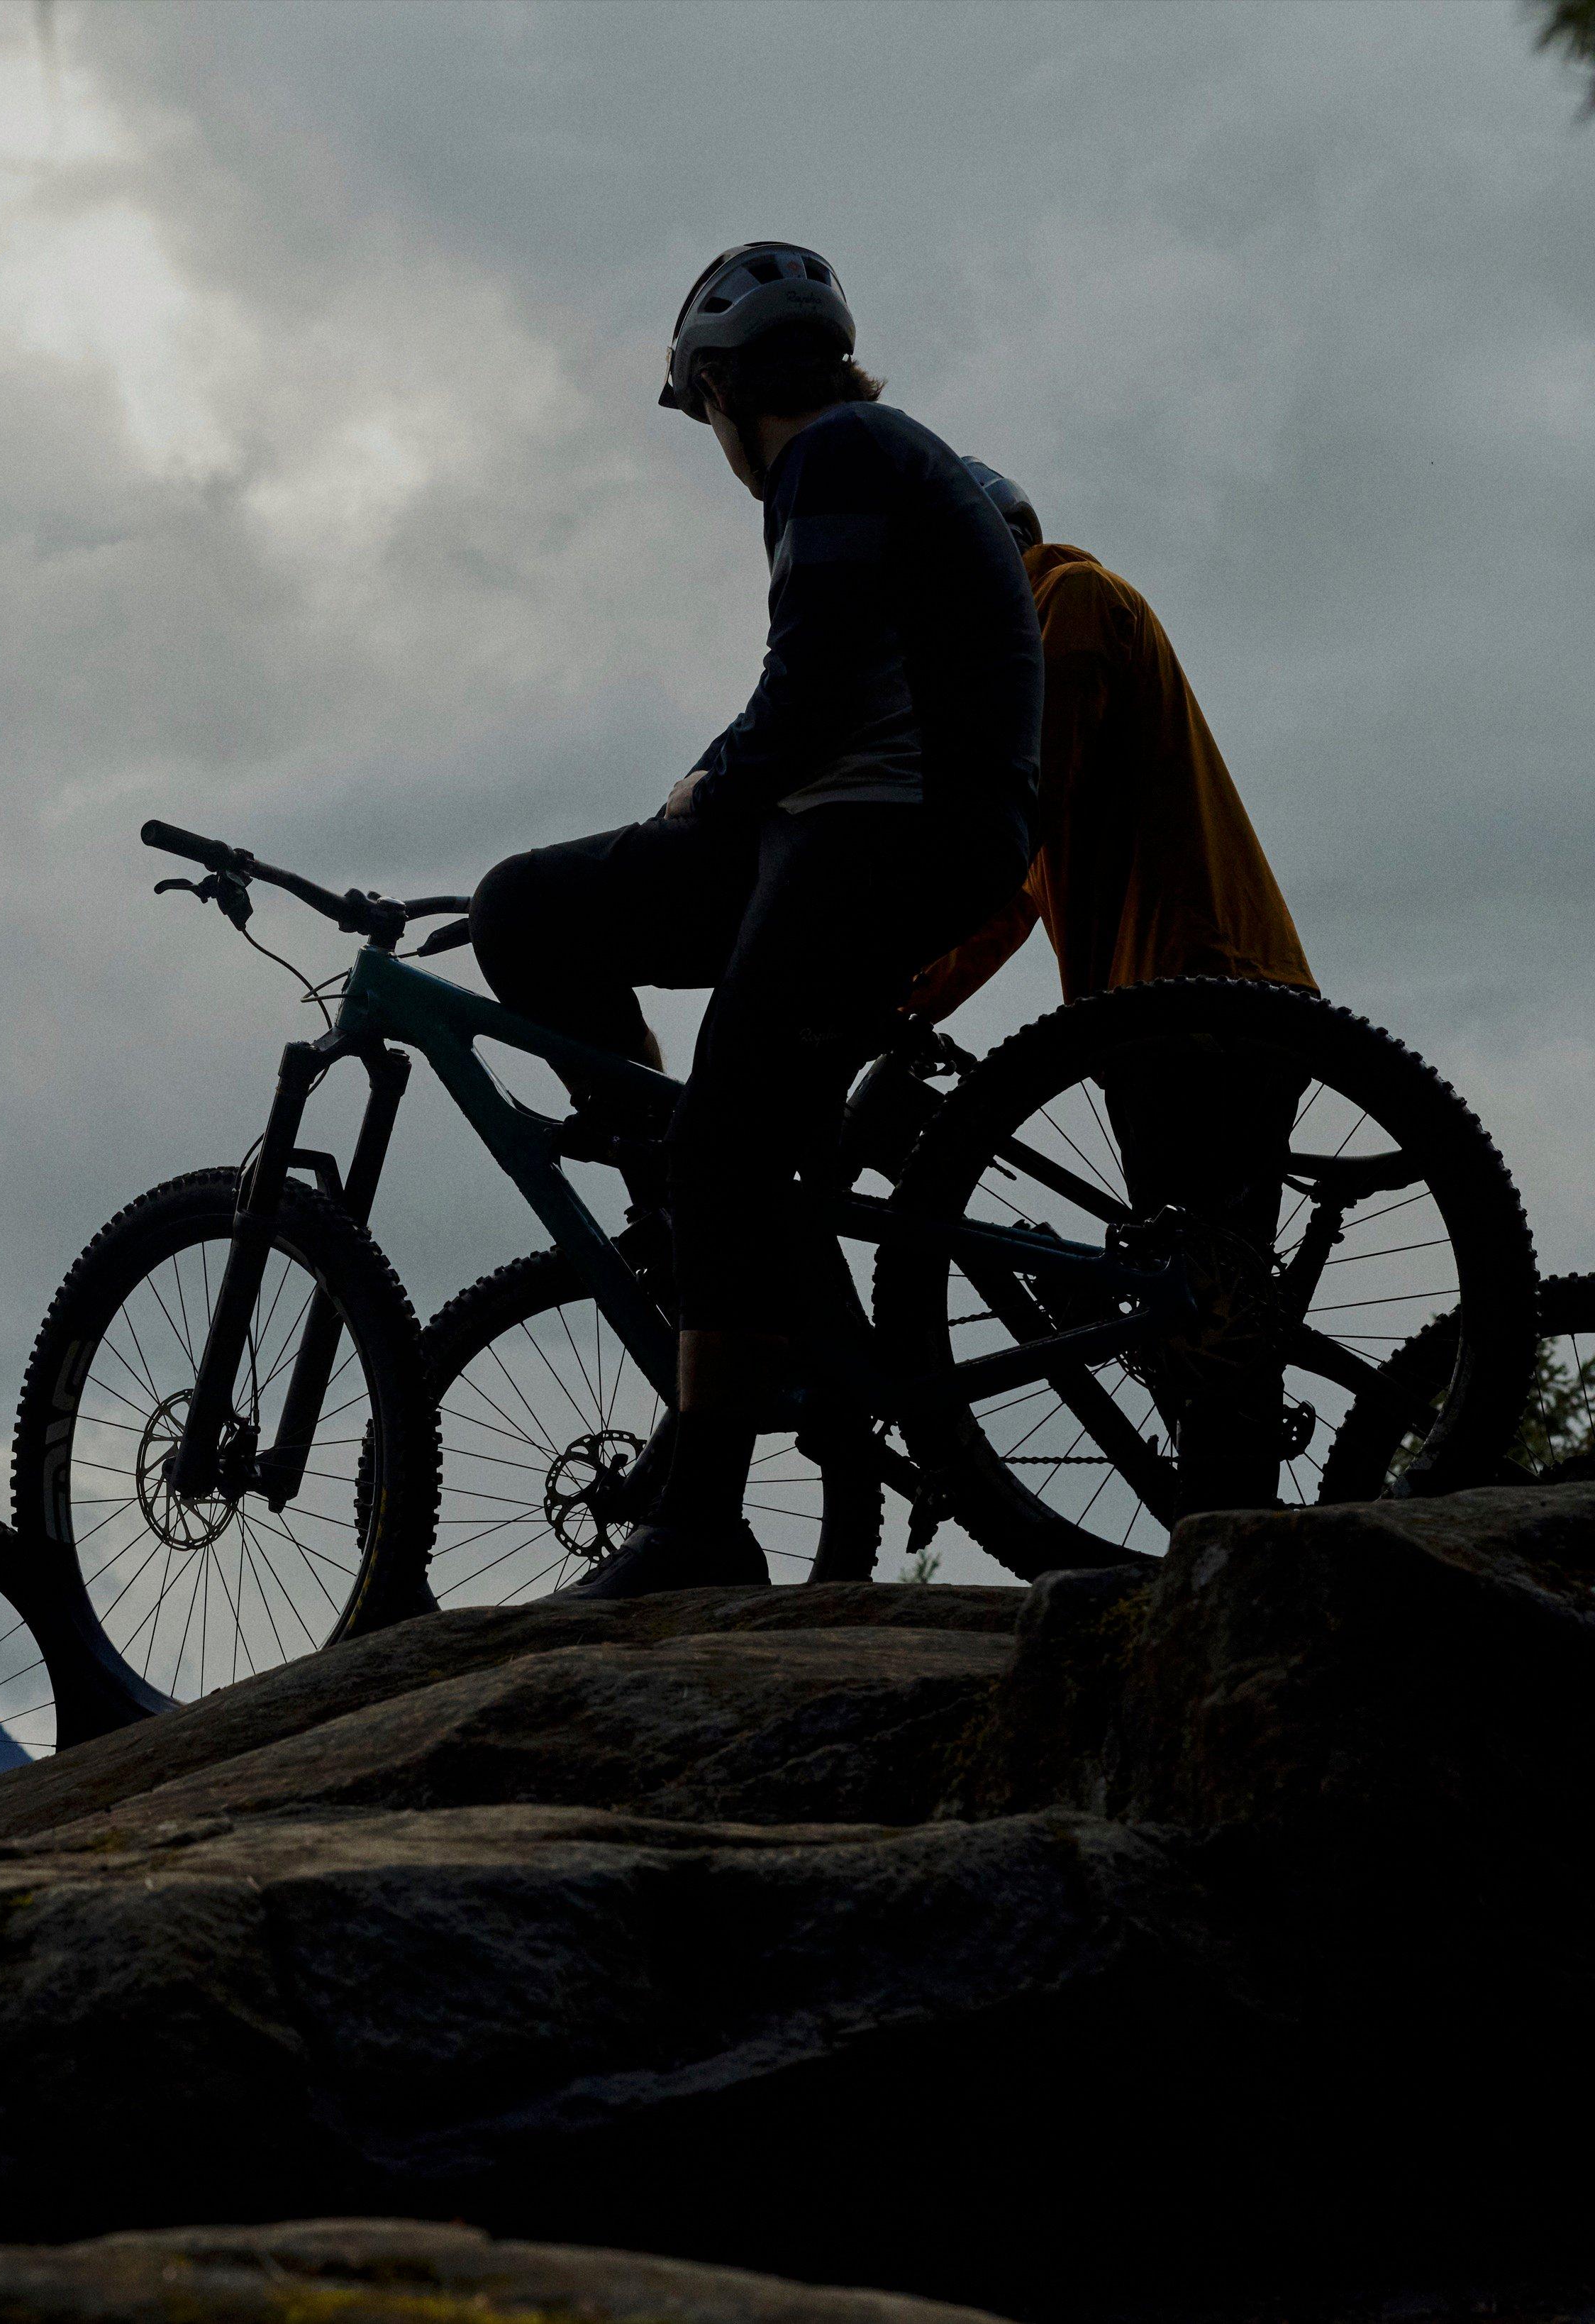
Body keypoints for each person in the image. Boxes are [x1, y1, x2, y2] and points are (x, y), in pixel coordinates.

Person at [467, 242, 1040, 1598]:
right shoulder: (871, 455)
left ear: (722, 390)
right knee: (527, 911)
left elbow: (815, 685)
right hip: (848, 825)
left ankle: (705, 1514)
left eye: (700, 411)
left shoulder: (836, 455)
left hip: (883, 832)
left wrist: (707, 786)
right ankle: (683, 1218)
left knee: (726, 1141)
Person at [908, 467, 1316, 1512]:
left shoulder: (1076, 602)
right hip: (1156, 1017)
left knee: (1210, 1306)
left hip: (1204, 995)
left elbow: (1015, 813)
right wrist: (899, 995)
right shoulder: (1033, 662)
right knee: (1195, 1298)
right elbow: (1006, 901)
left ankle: (1240, 1536)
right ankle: (1225, 1526)